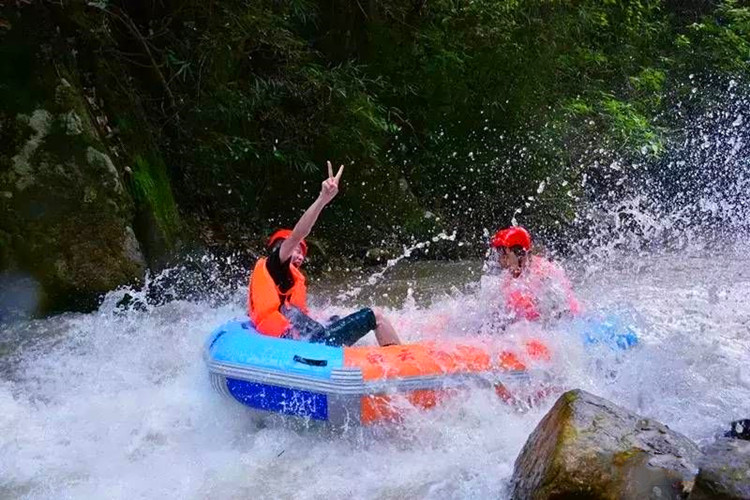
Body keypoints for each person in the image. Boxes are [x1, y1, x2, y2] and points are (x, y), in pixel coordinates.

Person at [248, 161, 401, 347]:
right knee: (376, 316)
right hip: (315, 345)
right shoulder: (275, 265)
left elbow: (295, 318)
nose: (299, 256)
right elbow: (298, 234)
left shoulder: (282, 282)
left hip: (299, 341)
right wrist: (322, 199)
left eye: (302, 253)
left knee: (335, 318)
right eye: (295, 250)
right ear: (279, 249)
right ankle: (401, 362)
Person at [489, 226, 581, 325]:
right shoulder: (509, 278)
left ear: (520, 255)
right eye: (500, 256)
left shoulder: (544, 274)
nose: (501, 262)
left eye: (505, 256)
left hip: (571, 322)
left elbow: (562, 314)